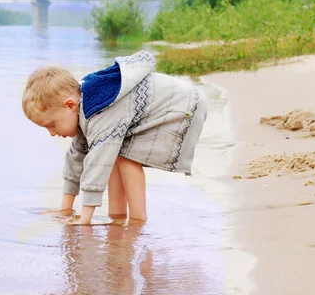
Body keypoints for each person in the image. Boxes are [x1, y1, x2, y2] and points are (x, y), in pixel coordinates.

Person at [22, 50, 208, 225]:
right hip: (167, 103)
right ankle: (117, 218)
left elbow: (97, 165)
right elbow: (75, 158)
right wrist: (65, 210)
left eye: (51, 125)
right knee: (114, 152)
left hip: (182, 104)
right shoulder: (83, 112)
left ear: (70, 106)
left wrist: (84, 219)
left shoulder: (99, 113)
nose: (52, 133)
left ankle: (137, 220)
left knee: (126, 156)